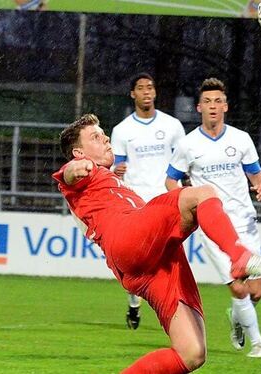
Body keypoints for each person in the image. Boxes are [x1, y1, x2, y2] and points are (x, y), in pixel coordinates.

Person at [53, 114, 261, 373]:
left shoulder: (110, 180)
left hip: (144, 264)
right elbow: (70, 174)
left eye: (104, 133)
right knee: (203, 193)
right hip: (128, 238)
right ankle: (239, 256)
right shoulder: (83, 172)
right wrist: (77, 167)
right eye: (96, 137)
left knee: (192, 353)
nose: (105, 138)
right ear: (78, 151)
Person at [166, 78, 261, 358]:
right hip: (212, 226)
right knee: (238, 288)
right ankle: (258, 343)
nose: (213, 106)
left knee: (255, 292)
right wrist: (186, 203)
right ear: (199, 107)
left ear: (225, 106)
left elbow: (257, 176)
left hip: (244, 221)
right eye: (208, 102)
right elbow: (170, 181)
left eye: (218, 101)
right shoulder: (188, 145)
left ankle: (237, 317)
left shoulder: (241, 139)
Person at [111, 72, 187, 330]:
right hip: (136, 202)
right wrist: (116, 171)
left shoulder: (173, 126)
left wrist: (185, 183)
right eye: (141, 88)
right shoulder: (122, 130)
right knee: (138, 261)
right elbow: (117, 166)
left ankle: (172, 308)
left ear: (155, 93)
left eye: (150, 87)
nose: (146, 92)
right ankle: (135, 303)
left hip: (165, 200)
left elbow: (183, 160)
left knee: (170, 256)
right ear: (133, 94)